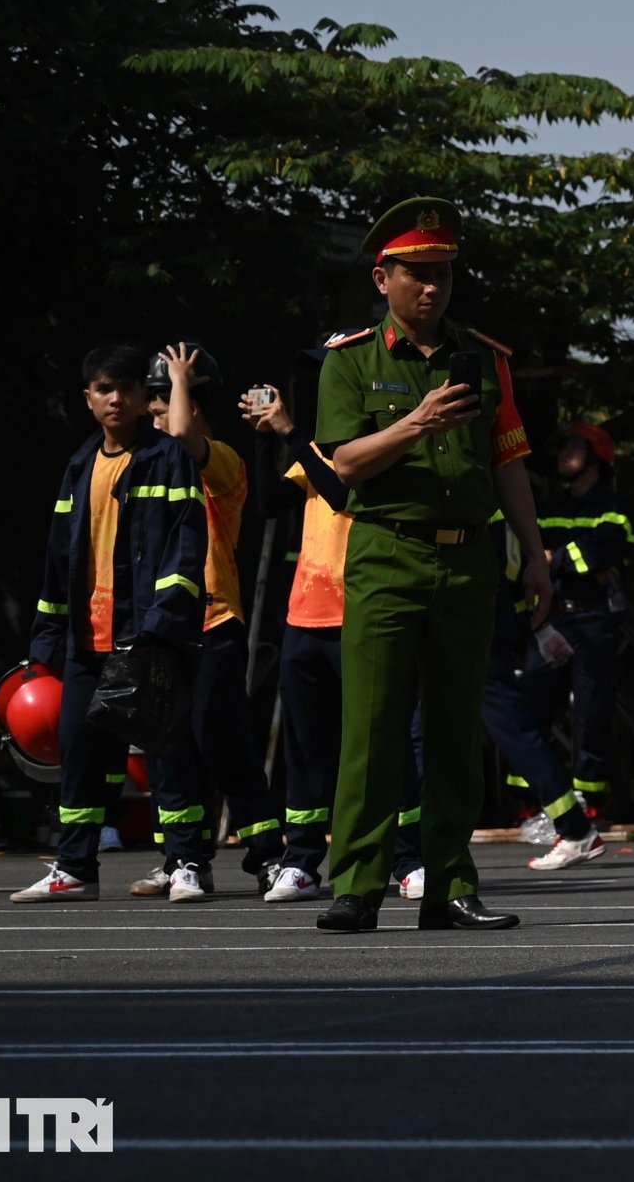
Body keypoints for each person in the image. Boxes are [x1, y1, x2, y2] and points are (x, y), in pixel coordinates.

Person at [311, 196, 549, 933]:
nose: (432, 288)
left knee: (455, 732)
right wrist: (416, 424)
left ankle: (449, 884)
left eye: (443, 274)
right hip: (387, 554)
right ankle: (357, 883)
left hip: (469, 559)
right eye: (417, 274)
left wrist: (534, 557)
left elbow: (509, 460)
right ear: (383, 278)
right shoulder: (350, 361)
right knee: (373, 728)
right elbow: (343, 463)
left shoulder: (482, 359)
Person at [11, 343, 210, 903]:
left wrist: (162, 623)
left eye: (126, 388)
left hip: (146, 635)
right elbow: (57, 562)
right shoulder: (78, 466)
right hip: (85, 640)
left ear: (145, 396)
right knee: (79, 754)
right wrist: (46, 643)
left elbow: (185, 544)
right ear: (88, 399)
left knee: (166, 752)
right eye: (104, 388)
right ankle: (75, 867)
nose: (116, 398)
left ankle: (186, 863)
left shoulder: (169, 457)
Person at [239, 367, 426, 903]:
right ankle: (300, 861)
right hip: (305, 618)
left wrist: (290, 433)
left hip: (362, 614)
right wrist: (261, 441)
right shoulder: (317, 447)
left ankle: (408, 858)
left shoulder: (376, 448)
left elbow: (339, 494)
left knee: (382, 742)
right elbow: (270, 507)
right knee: (306, 748)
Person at [126, 342, 285, 901]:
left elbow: (180, 439)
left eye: (167, 405)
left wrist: (178, 380)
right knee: (167, 748)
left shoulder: (220, 461)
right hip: (158, 626)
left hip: (214, 619)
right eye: (153, 407)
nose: (157, 418)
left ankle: (268, 856)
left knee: (222, 742)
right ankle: (184, 859)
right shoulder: (139, 470)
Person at [479, 511, 605, 871]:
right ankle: (574, 825)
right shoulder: (496, 502)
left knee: (506, 719)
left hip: (472, 614)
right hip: (487, 612)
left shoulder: (473, 497)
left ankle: (575, 826)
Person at [527, 420, 632, 822]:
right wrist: (562, 561)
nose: (564, 455)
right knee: (533, 705)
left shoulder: (613, 507)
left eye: (574, 447)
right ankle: (533, 798)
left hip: (593, 622)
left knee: (591, 712)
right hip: (550, 621)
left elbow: (604, 552)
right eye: (563, 447)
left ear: (596, 458)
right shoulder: (550, 506)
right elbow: (532, 551)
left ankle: (588, 800)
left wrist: (555, 560)